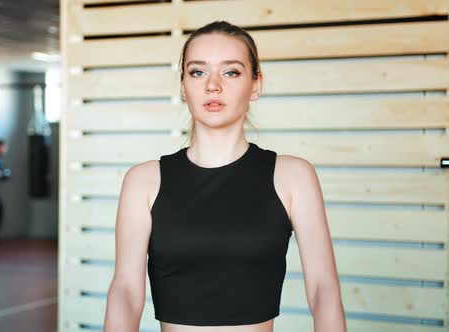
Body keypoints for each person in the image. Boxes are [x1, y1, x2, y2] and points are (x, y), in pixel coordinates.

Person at [104, 21, 346, 331]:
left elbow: (323, 290)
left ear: (256, 84)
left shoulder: (294, 176)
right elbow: (125, 291)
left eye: (231, 72)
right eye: (197, 72)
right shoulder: (143, 181)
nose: (212, 85)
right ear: (183, 86)